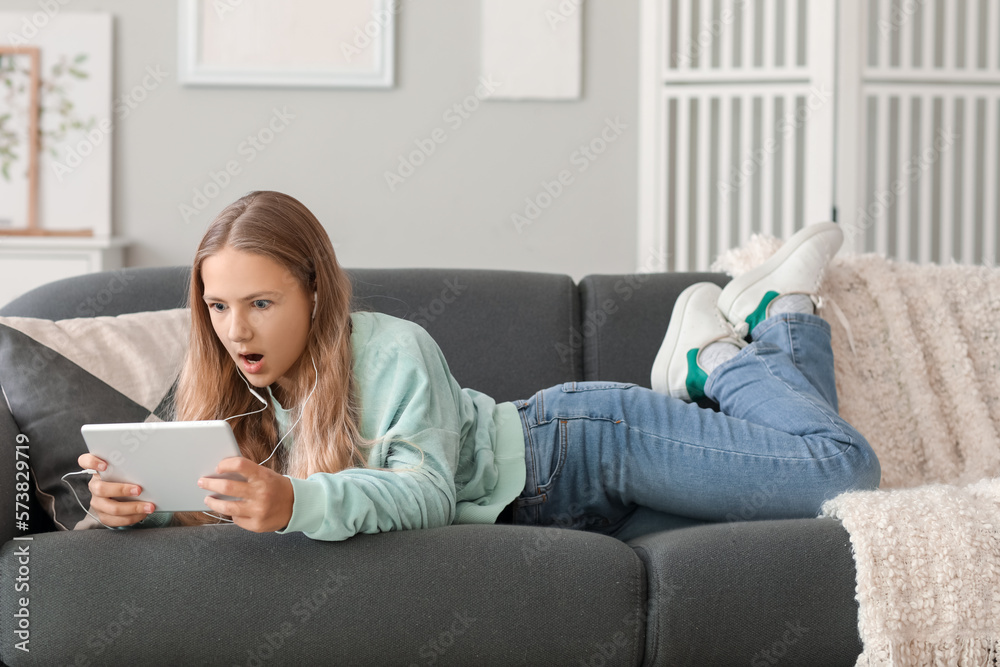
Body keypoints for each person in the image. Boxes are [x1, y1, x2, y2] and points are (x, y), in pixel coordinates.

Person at [78, 191, 881, 542]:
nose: (236, 330)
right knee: (804, 519)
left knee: (841, 472)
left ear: (316, 291)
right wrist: (138, 506)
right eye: (218, 307)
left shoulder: (393, 349)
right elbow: (211, 509)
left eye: (261, 303)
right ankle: (772, 322)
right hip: (565, 516)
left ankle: (721, 351)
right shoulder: (230, 388)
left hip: (587, 445)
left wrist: (293, 500)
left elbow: (425, 493)